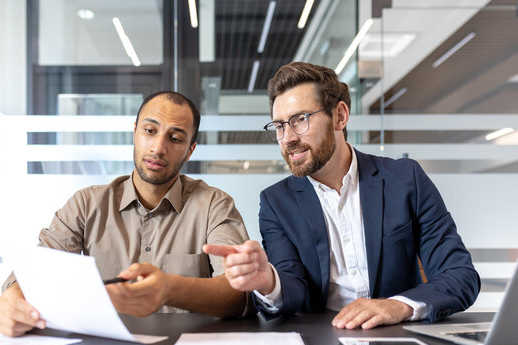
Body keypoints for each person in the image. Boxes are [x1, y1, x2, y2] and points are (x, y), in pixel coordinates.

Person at [204, 62, 481, 330]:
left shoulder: (405, 179)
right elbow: (293, 285)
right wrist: (269, 282)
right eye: (279, 126)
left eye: (300, 120)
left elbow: (460, 275)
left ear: (340, 116)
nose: (288, 137)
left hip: (397, 340)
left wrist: (397, 306)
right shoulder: (277, 202)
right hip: (322, 342)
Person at [0, 91, 249, 337]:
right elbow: (36, 273)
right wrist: (13, 299)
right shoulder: (86, 204)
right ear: (135, 132)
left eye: (175, 138)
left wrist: (169, 289)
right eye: (149, 131)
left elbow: (238, 294)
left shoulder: (215, 205)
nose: (158, 148)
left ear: (190, 150)